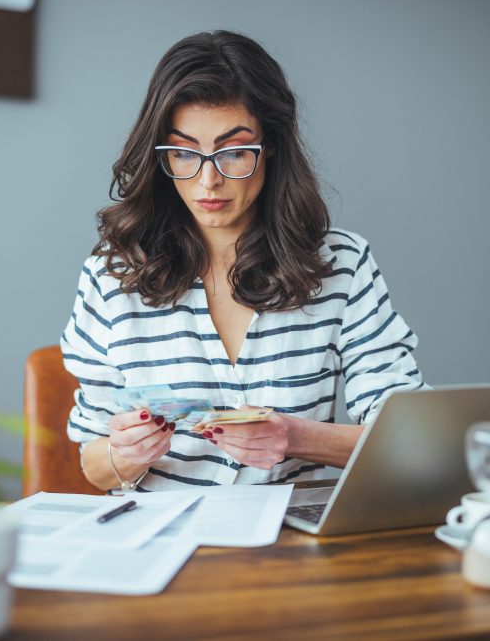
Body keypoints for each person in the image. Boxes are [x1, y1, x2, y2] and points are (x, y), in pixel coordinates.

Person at [61, 31, 424, 492]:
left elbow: (411, 439)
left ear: (270, 146)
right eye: (184, 153)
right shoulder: (111, 278)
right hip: (164, 542)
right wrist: (124, 455)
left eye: (234, 152)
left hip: (291, 548)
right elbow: (93, 464)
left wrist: (295, 437)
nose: (208, 180)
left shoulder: (342, 264)